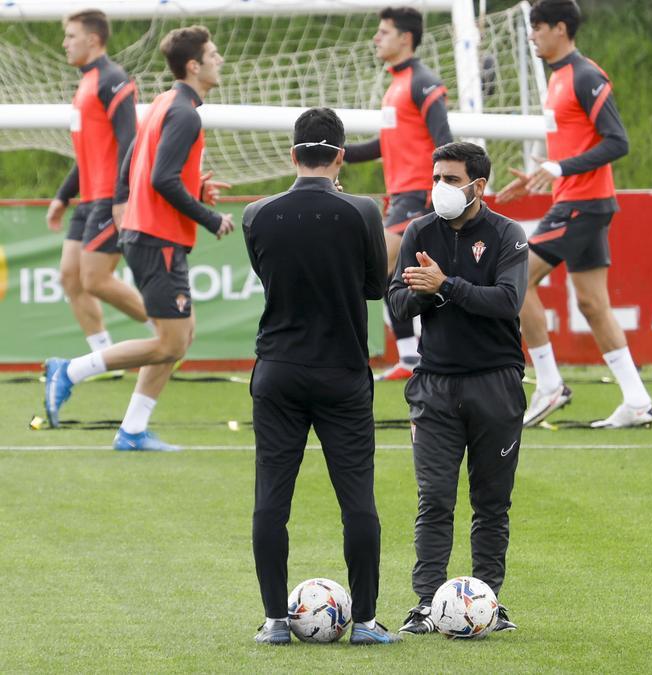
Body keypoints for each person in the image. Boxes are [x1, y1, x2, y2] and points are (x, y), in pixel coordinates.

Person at [243, 108, 397, 645]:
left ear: (293, 156)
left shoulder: (257, 213)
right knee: (357, 500)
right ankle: (368, 622)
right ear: (340, 156)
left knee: (271, 499)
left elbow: (267, 274)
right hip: (342, 372)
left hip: (278, 370)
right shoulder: (362, 211)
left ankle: (274, 621)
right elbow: (378, 286)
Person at [43, 26, 234, 450]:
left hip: (150, 234)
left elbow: (135, 160)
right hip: (156, 238)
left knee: (180, 338)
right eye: (214, 54)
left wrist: (187, 191)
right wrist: (209, 216)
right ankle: (70, 371)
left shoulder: (165, 102)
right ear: (194, 65)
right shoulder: (184, 112)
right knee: (170, 340)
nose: (220, 60)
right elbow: (162, 177)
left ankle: (132, 429)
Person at [496, 0, 652, 429]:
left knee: (514, 275)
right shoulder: (557, 80)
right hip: (576, 200)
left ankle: (548, 384)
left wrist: (560, 169)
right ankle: (637, 401)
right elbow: (572, 146)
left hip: (583, 203)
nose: (531, 36)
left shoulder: (585, 75)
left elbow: (617, 142)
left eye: (538, 27)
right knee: (592, 303)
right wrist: (538, 175)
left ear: (561, 29)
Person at [388, 142, 525, 635]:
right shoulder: (420, 231)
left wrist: (444, 285)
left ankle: (489, 601)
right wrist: (425, 292)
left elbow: (507, 301)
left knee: (491, 502)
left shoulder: (508, 235)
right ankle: (426, 603)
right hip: (435, 386)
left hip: (497, 383)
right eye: (436, 177)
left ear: (478, 185)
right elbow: (398, 302)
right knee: (435, 499)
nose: (439, 187)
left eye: (450, 179)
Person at [344, 6, 453, 381]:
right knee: (394, 276)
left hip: (419, 196)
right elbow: (386, 143)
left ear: (405, 38)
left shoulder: (422, 82)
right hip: (401, 197)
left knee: (369, 266)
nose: (377, 38)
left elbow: (445, 142)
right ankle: (411, 359)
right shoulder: (396, 84)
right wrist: (338, 151)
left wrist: (443, 189)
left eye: (384, 32)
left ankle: (415, 355)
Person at [48, 9, 152, 363]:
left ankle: (168, 335)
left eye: (71, 36)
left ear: (93, 39)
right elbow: (90, 152)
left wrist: (122, 197)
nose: (65, 43)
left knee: (93, 279)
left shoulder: (113, 79)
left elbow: (129, 141)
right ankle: (103, 358)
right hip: (89, 199)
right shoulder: (86, 82)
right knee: (69, 277)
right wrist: (63, 195)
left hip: (112, 197)